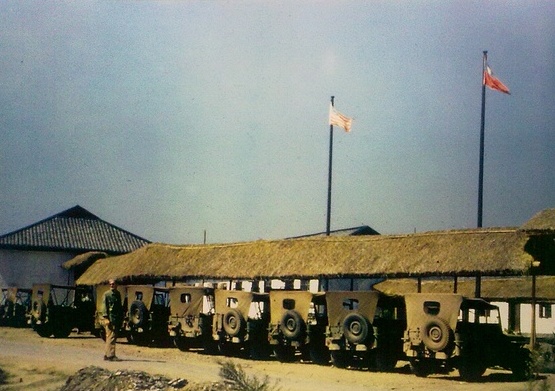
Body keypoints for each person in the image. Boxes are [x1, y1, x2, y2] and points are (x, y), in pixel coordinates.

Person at [102, 279, 124, 361]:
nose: (112, 285)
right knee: (111, 336)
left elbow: (119, 307)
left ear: (116, 285)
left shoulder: (117, 294)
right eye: (110, 284)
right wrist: (106, 318)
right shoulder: (107, 294)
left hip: (116, 318)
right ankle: (111, 355)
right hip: (110, 318)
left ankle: (107, 354)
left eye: (113, 284)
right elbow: (104, 306)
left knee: (111, 337)